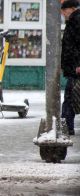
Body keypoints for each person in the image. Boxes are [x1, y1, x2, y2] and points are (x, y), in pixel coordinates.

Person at [61, 0, 80, 135]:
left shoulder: (76, 20)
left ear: (73, 8)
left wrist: (78, 64)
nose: (62, 13)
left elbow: (76, 45)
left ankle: (66, 126)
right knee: (70, 98)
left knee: (69, 98)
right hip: (73, 66)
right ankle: (66, 126)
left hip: (76, 68)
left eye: (65, 10)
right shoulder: (73, 20)